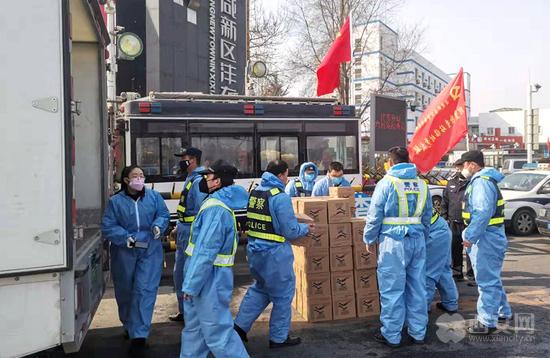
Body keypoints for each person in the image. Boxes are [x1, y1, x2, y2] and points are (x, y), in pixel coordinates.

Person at [234, 160, 313, 348]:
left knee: (260, 289)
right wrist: (306, 228)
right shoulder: (280, 196)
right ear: (280, 176)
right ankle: (278, 338)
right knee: (283, 295)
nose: (287, 179)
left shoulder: (256, 192)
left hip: (255, 251)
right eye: (286, 175)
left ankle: (239, 327)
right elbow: (290, 231)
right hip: (275, 255)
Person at [363, 147, 432, 348]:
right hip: (417, 240)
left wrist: (369, 238)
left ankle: (392, 335)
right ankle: (418, 332)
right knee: (417, 287)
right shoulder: (422, 184)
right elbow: (427, 217)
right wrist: (422, 237)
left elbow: (374, 215)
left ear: (391, 163)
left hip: (393, 242)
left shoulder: (387, 183)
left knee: (392, 289)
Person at [180, 162, 250, 358]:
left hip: (209, 279)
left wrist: (191, 285)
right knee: (195, 333)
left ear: (217, 182)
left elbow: (205, 252)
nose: (203, 181)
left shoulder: (215, 210)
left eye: (207, 178)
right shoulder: (216, 205)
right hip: (207, 278)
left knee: (218, 334)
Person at [102, 165, 170, 355]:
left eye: (141, 175)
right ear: (126, 180)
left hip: (150, 249)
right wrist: (124, 237)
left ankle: (139, 335)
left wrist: (158, 226)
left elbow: (163, 214)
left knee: (145, 290)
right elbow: (108, 225)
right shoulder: (115, 202)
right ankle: (129, 324)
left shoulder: (154, 197)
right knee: (125, 291)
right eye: (135, 176)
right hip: (125, 251)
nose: (139, 179)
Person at [460, 150, 512, 335]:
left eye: (464, 165)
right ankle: (503, 311)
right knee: (492, 278)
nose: (462, 169)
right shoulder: (484, 181)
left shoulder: (481, 182)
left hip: (485, 238)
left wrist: (470, 236)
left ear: (472, 165)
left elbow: (482, 213)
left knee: (486, 281)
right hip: (490, 236)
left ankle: (487, 322)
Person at [170, 147, 208, 322]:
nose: (181, 161)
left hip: (192, 232)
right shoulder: (190, 179)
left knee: (189, 273)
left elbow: (202, 210)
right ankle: (184, 311)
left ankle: (192, 313)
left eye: (183, 158)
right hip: (184, 230)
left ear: (192, 160)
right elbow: (185, 208)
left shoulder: (199, 181)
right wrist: (178, 226)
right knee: (180, 274)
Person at [441, 159, 474, 282]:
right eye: (457, 167)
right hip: (453, 222)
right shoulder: (451, 183)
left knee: (470, 249)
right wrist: (445, 218)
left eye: (460, 166)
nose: (459, 169)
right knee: (455, 248)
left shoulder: (472, 183)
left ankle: (471, 274)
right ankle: (457, 272)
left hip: (468, 222)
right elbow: (445, 202)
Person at [426, 208, 459, 314]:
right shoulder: (417, 192)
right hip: (441, 230)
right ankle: (450, 303)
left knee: (428, 273)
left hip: (434, 235)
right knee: (443, 271)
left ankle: (423, 308)